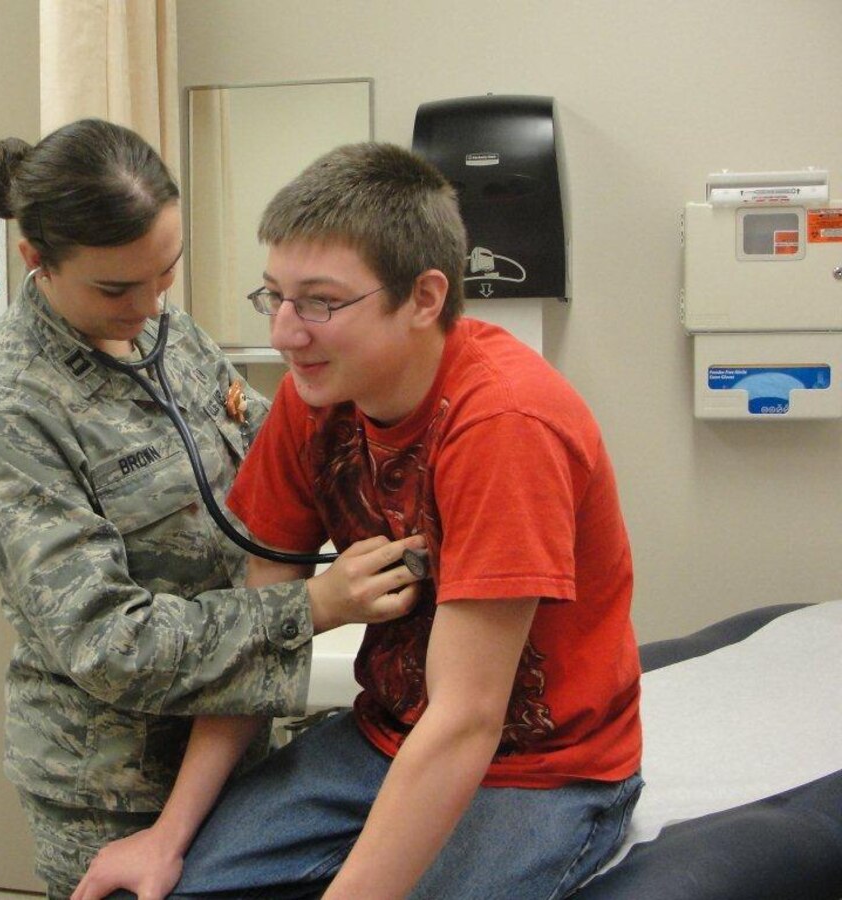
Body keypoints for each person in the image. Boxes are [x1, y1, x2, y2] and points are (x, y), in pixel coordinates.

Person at [74, 141, 643, 900]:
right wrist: (167, 838)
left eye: (319, 302)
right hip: (380, 740)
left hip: (542, 772)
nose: (284, 332)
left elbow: (467, 719)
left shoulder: (505, 423)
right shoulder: (317, 401)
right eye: (273, 296)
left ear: (424, 297)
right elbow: (259, 630)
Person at [0, 120, 425, 899]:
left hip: (234, 743)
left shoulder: (160, 331)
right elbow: (109, 643)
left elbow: (275, 454)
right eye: (116, 288)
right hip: (111, 790)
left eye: (164, 273)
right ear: (37, 259)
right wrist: (309, 609)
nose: (149, 303)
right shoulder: (10, 414)